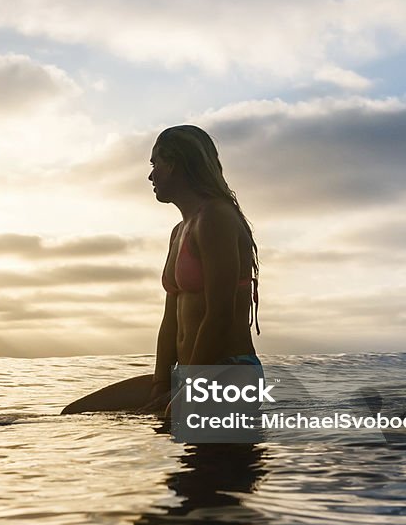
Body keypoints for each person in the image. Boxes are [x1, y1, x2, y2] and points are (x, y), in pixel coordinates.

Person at [62, 125, 260, 417]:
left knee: (179, 430)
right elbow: (170, 320)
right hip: (189, 376)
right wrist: (161, 384)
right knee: (76, 413)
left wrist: (188, 389)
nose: (151, 175)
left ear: (177, 163)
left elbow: (219, 313)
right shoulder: (179, 231)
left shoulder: (216, 218)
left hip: (229, 372)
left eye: (156, 164)